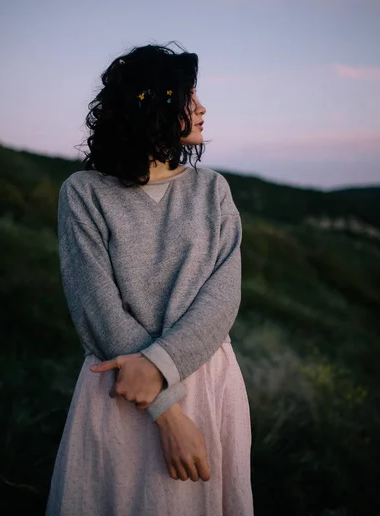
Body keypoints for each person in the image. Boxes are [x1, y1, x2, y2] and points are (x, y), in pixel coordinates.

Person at [45, 42, 254, 516]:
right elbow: (97, 310)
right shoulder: (83, 194)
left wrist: (158, 366)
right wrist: (168, 413)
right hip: (122, 390)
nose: (200, 108)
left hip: (207, 379)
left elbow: (223, 298)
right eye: (187, 96)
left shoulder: (212, 190)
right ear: (152, 102)